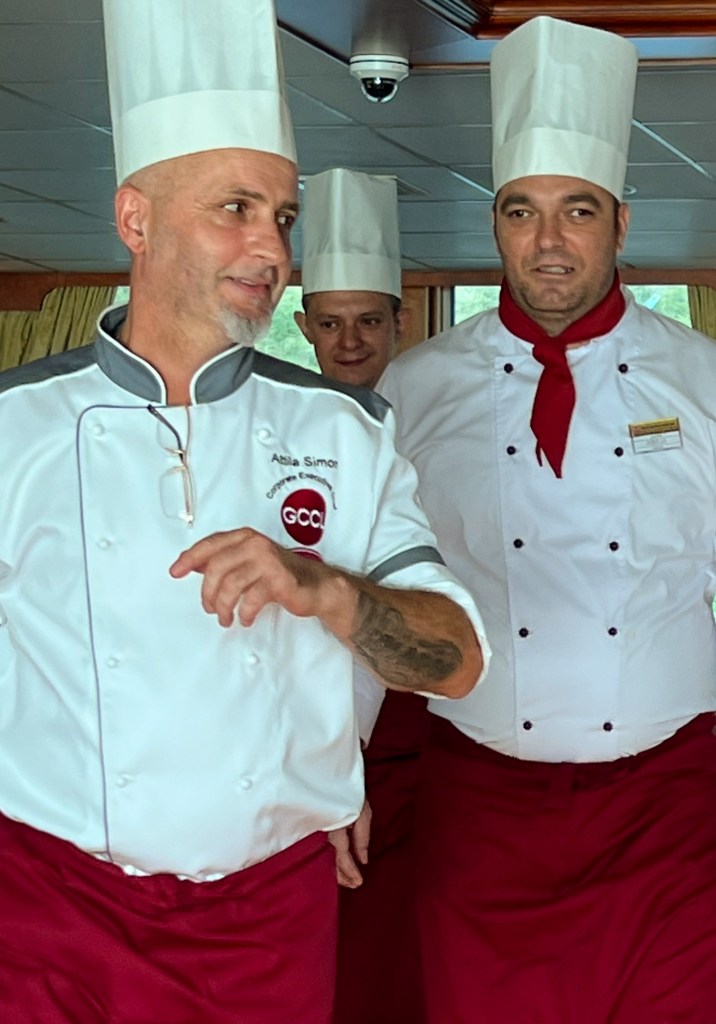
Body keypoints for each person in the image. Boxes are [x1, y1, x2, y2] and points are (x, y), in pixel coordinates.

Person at [0, 2, 489, 1021]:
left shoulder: (343, 431)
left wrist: (322, 590)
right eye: (236, 207)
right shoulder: (17, 426)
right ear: (135, 219)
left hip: (266, 917)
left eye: (282, 215)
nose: (269, 244)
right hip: (50, 908)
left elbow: (455, 661)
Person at [379, 16, 716, 1024]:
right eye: (521, 212)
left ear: (620, 222)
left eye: (576, 211)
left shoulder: (701, 380)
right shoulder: (414, 388)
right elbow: (374, 589)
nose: (548, 242)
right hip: (478, 806)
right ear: (494, 224)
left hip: (670, 806)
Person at [297, 167, 429, 1024]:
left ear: (400, 321)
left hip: (422, 727)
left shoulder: (440, 415)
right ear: (304, 325)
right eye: (331, 323)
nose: (350, 342)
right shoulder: (281, 430)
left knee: (403, 943)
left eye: (369, 321)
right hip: (313, 724)